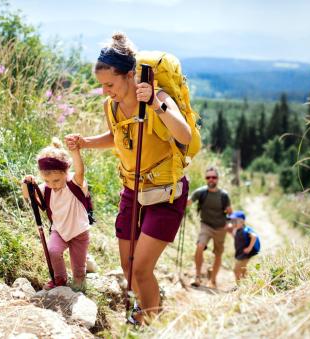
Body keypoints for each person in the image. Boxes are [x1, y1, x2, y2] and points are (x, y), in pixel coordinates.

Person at [65, 32, 191, 324]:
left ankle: (149, 321)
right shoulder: (111, 106)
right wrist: (85, 142)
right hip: (132, 190)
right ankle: (144, 311)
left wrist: (157, 107)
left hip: (165, 192)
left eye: (110, 84)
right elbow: (117, 136)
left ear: (130, 75)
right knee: (127, 265)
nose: (106, 90)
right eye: (102, 85)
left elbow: (183, 134)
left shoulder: (158, 97)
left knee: (141, 268)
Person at [21, 138, 90, 291]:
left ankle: (80, 283)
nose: (52, 185)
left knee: (78, 268)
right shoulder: (47, 189)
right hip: (59, 230)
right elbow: (28, 196)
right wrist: (26, 183)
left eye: (57, 180)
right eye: (47, 180)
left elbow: (80, 171)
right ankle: (60, 278)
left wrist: (75, 152)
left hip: (79, 232)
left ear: (66, 172)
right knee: (53, 251)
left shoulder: (74, 183)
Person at [187, 167, 232, 288]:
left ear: (217, 179)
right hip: (205, 225)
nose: (211, 179)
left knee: (218, 254)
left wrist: (230, 219)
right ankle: (197, 276)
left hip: (220, 228)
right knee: (199, 246)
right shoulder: (200, 192)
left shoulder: (224, 195)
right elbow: (188, 202)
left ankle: (212, 280)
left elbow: (229, 212)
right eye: (208, 177)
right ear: (205, 179)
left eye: (214, 177)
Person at [226, 210, 260, 283]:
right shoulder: (237, 230)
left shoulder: (246, 230)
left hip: (246, 253)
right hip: (241, 253)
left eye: (235, 221)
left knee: (236, 270)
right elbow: (238, 239)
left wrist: (249, 248)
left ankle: (239, 285)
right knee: (243, 269)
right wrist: (231, 234)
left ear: (242, 222)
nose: (233, 223)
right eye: (232, 221)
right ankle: (247, 283)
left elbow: (254, 237)